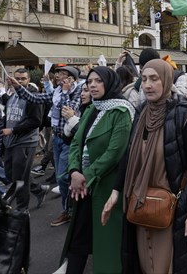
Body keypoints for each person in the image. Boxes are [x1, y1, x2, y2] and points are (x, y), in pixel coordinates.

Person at [101, 59, 187, 273]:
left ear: (167, 80)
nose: (147, 85)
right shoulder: (141, 112)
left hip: (171, 210)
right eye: (143, 79)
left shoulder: (183, 115)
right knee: (144, 264)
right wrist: (116, 191)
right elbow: (129, 153)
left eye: (154, 79)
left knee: (167, 265)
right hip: (141, 206)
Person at [58, 67, 134, 274]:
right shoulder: (92, 108)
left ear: (109, 83)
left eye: (98, 81)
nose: (92, 85)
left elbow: (115, 152)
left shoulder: (121, 111)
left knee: (107, 241)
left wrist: (86, 175)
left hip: (106, 186)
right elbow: (76, 142)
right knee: (79, 236)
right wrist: (74, 171)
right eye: (89, 81)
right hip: (82, 185)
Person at [8, 65, 82, 227]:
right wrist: (18, 87)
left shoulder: (77, 91)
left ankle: (69, 210)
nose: (60, 77)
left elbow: (68, 110)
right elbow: (36, 98)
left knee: (63, 177)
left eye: (64, 75)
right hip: (57, 139)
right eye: (59, 74)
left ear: (73, 79)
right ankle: (69, 208)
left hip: (70, 140)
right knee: (63, 177)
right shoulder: (56, 92)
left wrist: (64, 91)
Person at [2, 68, 49, 211]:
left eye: (23, 78)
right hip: (10, 141)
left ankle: (22, 210)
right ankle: (39, 189)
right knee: (12, 173)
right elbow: (9, 116)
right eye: (17, 78)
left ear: (28, 80)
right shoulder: (12, 96)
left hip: (25, 142)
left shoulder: (33, 97)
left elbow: (36, 121)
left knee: (19, 179)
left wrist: (13, 130)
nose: (20, 81)